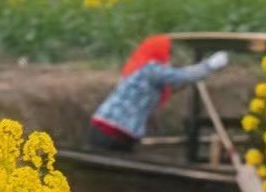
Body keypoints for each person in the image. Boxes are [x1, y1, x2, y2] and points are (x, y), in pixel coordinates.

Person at [89, 35, 229, 153]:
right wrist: (210, 65)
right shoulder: (151, 69)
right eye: (169, 52)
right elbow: (181, 76)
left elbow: (176, 80)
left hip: (116, 131)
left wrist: (202, 71)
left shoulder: (142, 68)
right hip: (112, 131)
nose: (170, 57)